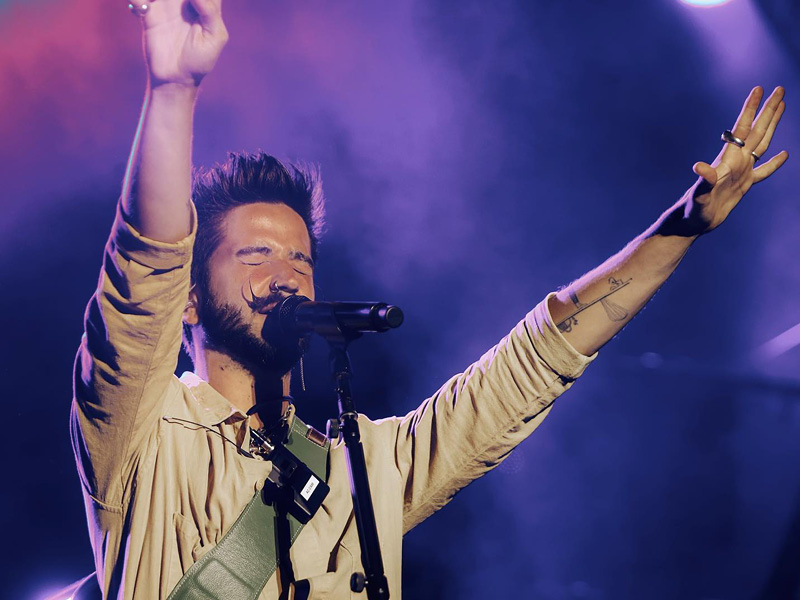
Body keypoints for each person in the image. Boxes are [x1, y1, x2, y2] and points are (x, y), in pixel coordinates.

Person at [67, 0, 788, 598]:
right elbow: (143, 276)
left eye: (299, 257)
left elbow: (535, 360)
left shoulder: (362, 465)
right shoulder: (141, 430)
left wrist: (682, 226)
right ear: (189, 302)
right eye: (253, 255)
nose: (285, 273)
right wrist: (173, 91)